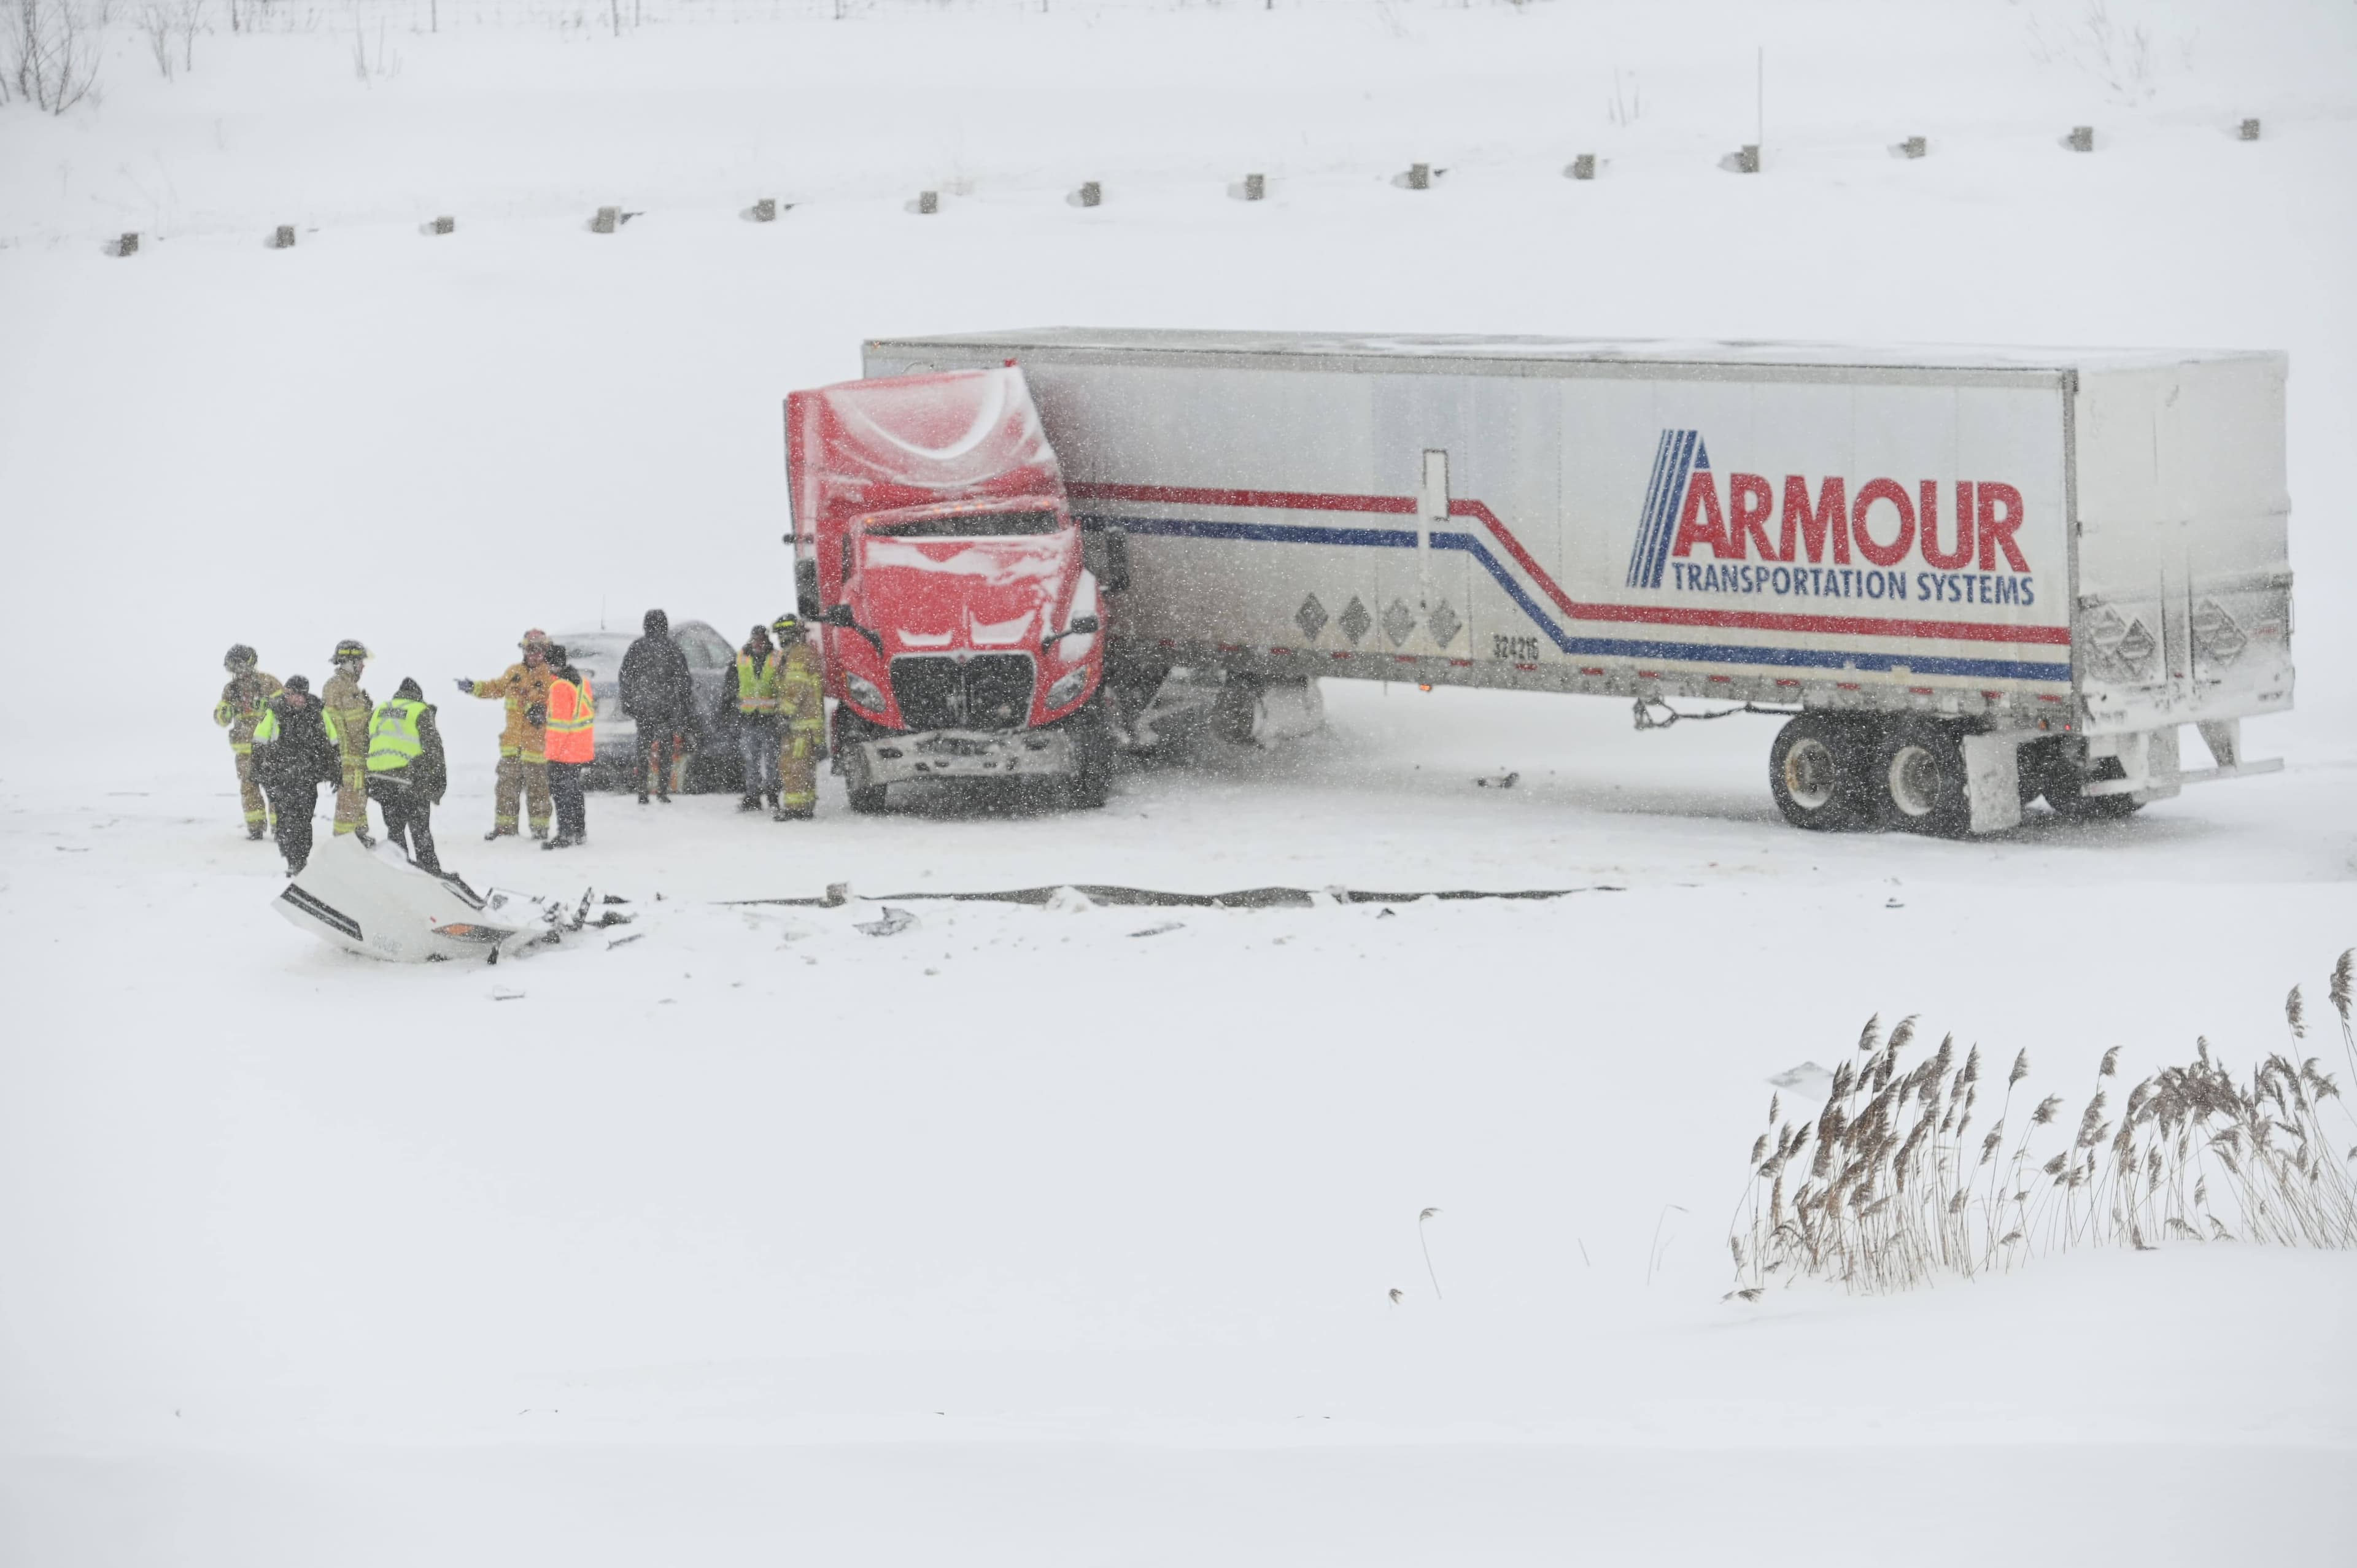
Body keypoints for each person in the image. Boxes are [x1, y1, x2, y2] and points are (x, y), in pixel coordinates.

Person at [458, 629, 560, 841]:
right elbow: (495, 688)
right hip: (511, 746)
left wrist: (544, 710)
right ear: (524, 650)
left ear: (546, 651)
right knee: (506, 790)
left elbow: (561, 705)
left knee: (539, 791)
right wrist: (474, 687)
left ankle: (540, 830)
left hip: (537, 747)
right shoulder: (514, 672)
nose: (535, 654)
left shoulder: (550, 677)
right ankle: (505, 829)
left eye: (539, 650)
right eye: (531, 649)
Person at [250, 675, 339, 876]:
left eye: (300, 695)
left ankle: (300, 859)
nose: (296, 699)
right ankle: (293, 859)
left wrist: (335, 770)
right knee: (285, 820)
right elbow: (259, 742)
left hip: (308, 777)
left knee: (304, 820)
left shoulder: (317, 712)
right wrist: (256, 771)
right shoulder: (274, 712)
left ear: (306, 696)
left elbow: (333, 741)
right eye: (291, 694)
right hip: (281, 777)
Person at [364, 678, 448, 874]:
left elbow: (366, 743)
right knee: (420, 831)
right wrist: (438, 785)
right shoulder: (419, 710)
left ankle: (398, 870)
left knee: (395, 829)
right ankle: (430, 873)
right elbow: (434, 751)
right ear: (418, 696)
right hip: (408, 780)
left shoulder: (380, 710)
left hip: (380, 781)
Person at [618, 608, 692, 805]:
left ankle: (642, 791)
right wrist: (683, 706)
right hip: (667, 708)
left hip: (644, 707)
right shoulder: (672, 648)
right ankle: (662, 790)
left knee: (643, 749)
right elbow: (684, 680)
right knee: (666, 749)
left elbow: (625, 677)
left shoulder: (637, 647)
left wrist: (628, 702)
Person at [212, 644, 282, 840]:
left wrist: (270, 705)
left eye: (240, 667)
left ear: (250, 664)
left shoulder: (268, 682)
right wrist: (225, 713)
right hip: (245, 752)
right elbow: (220, 718)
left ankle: (281, 828)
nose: (238, 672)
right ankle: (255, 828)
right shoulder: (231, 690)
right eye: (234, 668)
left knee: (275, 788)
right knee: (249, 789)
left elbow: (287, 707)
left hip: (269, 749)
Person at [320, 639, 377, 847]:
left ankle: (359, 833)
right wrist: (372, 718)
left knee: (358, 795)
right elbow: (354, 727)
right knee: (350, 798)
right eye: (360, 662)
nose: (363, 667)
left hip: (353, 755)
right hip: (347, 756)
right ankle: (345, 841)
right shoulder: (340, 687)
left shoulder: (347, 686)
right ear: (349, 663)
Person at [722, 622, 781, 813]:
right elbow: (731, 683)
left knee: (771, 760)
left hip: (770, 718)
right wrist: (730, 705)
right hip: (749, 717)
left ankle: (772, 794)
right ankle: (753, 795)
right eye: (756, 639)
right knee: (751, 759)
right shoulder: (741, 658)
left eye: (761, 640)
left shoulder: (777, 658)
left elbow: (784, 685)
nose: (758, 643)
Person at [773, 612, 826, 822]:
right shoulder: (803, 653)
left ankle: (795, 808)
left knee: (793, 766)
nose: (779, 639)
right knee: (804, 767)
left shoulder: (797, 655)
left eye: (781, 634)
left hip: (800, 724)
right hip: (807, 725)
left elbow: (796, 687)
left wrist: (785, 714)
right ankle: (805, 805)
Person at [543, 644, 595, 850]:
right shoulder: (580, 681)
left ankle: (565, 833)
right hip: (580, 747)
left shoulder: (559, 687)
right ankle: (579, 831)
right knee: (574, 791)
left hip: (564, 750)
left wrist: (552, 755)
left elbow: (559, 726)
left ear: (551, 665)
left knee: (561, 793)